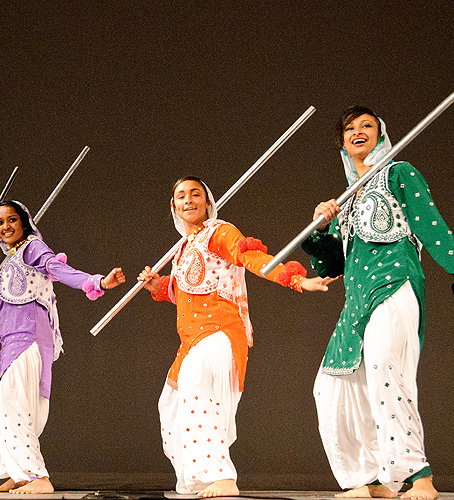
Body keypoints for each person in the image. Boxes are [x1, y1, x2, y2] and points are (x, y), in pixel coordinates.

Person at [303, 106, 454, 500]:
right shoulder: (347, 199)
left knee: (387, 373)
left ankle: (418, 476)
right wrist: (321, 226)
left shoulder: (400, 174)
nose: (358, 132)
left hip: (395, 284)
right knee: (331, 387)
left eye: (367, 125)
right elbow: (330, 265)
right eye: (350, 129)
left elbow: (434, 229)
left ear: (381, 134)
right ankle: (369, 481)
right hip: (356, 301)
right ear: (342, 143)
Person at [138, 176, 334, 498]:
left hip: (220, 332)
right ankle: (198, 478)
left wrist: (296, 280)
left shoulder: (220, 232)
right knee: (170, 406)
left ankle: (221, 475)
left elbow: (250, 259)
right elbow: (188, 291)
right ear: (173, 206)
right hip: (189, 342)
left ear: (207, 201)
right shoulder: (183, 248)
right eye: (181, 196)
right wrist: (158, 286)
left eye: (195, 194)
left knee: (196, 379)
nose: (188, 200)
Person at [0, 200, 126, 494]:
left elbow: (57, 269)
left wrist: (96, 281)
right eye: (0, 222)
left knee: (14, 406)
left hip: (29, 337)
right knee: (4, 407)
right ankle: (19, 473)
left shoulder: (32, 248)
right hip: (11, 343)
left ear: (24, 222)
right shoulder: (6, 265)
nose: (6, 226)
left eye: (12, 220)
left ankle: (37, 476)